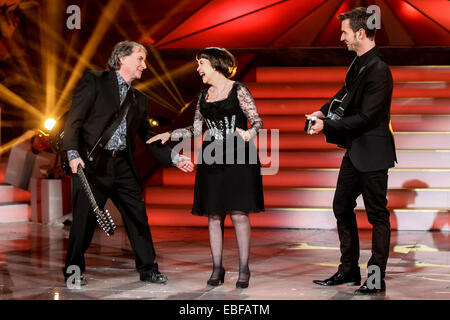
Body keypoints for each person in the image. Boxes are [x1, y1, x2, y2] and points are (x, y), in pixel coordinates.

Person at [62, 40, 194, 286]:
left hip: (122, 165)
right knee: (84, 221)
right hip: (92, 164)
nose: (144, 66)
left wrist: (174, 157)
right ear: (123, 58)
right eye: (140, 59)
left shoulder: (140, 99)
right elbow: (74, 119)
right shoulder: (96, 81)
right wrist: (72, 153)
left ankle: (148, 268)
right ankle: (74, 271)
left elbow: (148, 137)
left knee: (138, 216)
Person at [148, 47, 264, 288]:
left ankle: (244, 269)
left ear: (216, 64)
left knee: (239, 213)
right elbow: (197, 130)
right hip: (211, 156)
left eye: (202, 63)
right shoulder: (204, 95)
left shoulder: (238, 89)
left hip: (239, 155)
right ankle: (217, 268)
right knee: (214, 213)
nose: (198, 69)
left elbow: (258, 121)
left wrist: (249, 132)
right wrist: (169, 133)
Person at [307, 8, 397, 295]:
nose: (341, 36)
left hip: (372, 151)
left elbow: (368, 117)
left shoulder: (379, 70)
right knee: (341, 207)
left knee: (377, 216)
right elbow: (343, 94)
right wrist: (321, 112)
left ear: (360, 32)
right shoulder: (358, 64)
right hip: (356, 150)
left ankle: (375, 277)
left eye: (345, 31)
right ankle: (348, 270)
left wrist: (328, 126)